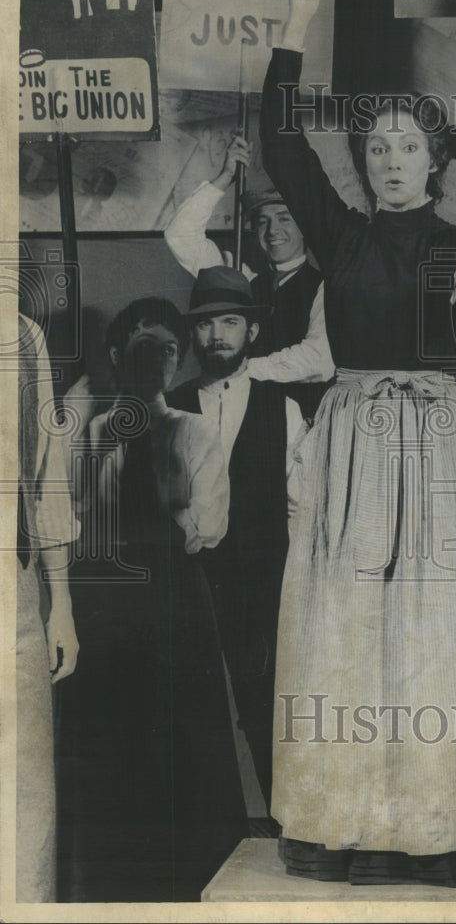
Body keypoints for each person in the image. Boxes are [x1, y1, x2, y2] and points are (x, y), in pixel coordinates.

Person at [256, 0, 456, 886]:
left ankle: (450, 817)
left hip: (438, 444)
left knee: (432, 621)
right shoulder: (339, 236)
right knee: (348, 621)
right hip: (352, 449)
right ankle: (351, 818)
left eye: (406, 144)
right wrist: (295, 29)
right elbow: (277, 138)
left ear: (434, 158)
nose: (388, 158)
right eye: (375, 144)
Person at [57, 298, 247, 902]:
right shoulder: (86, 430)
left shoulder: (193, 430)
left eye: (168, 349)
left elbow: (207, 527)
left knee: (181, 744)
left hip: (174, 604)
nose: (157, 360)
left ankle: (190, 885)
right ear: (116, 355)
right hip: (103, 603)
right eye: (141, 347)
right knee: (111, 742)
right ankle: (113, 885)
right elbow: (71, 516)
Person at [166, 266, 303, 837]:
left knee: (266, 701)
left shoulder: (285, 406)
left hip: (264, 577)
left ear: (250, 332)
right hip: (185, 578)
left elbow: (303, 504)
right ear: (193, 336)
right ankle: (203, 833)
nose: (218, 335)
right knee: (187, 703)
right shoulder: (166, 406)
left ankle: (288, 825)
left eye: (230, 322)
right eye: (206, 325)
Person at [164, 137, 334, 418]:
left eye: (284, 218)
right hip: (242, 415)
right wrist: (226, 176)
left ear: (305, 227)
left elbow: (319, 360)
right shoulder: (239, 279)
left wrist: (244, 369)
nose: (272, 230)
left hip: (303, 425)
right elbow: (180, 235)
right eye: (262, 221)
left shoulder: (327, 286)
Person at [14, 312, 80, 902]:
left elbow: (48, 477)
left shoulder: (22, 334)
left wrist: (61, 604)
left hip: (16, 590)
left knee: (26, 791)